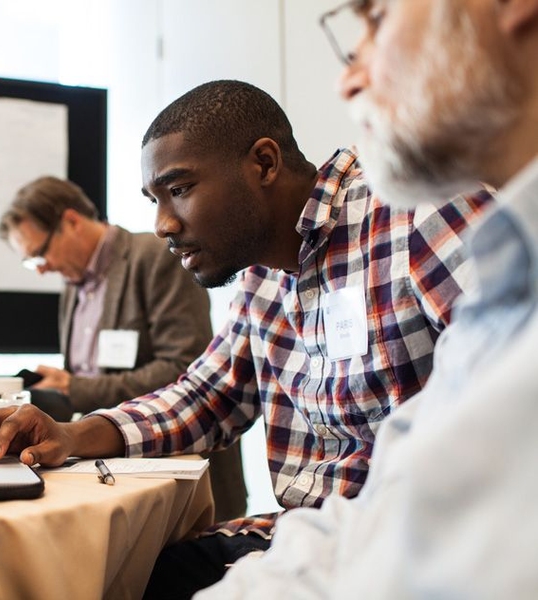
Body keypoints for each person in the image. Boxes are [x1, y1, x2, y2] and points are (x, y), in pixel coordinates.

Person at [0, 79, 494, 598]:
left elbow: (516, 392)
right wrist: (72, 435)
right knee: (113, 570)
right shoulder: (262, 275)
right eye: (153, 201)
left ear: (263, 163)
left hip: (413, 542)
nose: (164, 224)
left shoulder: (415, 211)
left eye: (180, 190)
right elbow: (206, 396)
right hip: (308, 532)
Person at [192, 1, 538, 598]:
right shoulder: (511, 261)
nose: (349, 77)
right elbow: (397, 502)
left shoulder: (426, 218)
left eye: (377, 19)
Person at [0, 176, 247, 521]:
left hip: (175, 478)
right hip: (108, 472)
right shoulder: (72, 284)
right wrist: (63, 384)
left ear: (71, 222)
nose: (42, 270)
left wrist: (75, 387)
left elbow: (183, 368)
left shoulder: (158, 257)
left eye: (39, 254)